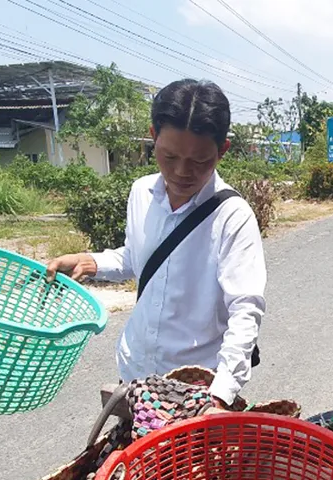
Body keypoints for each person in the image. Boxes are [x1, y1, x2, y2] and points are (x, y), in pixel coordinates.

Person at [48, 79, 265, 412]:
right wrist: (92, 262)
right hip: (135, 376)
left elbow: (245, 310)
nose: (181, 172)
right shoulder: (141, 193)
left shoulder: (233, 217)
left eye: (199, 161)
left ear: (222, 151)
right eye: (170, 155)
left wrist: (220, 395)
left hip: (196, 394)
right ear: (153, 137)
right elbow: (139, 257)